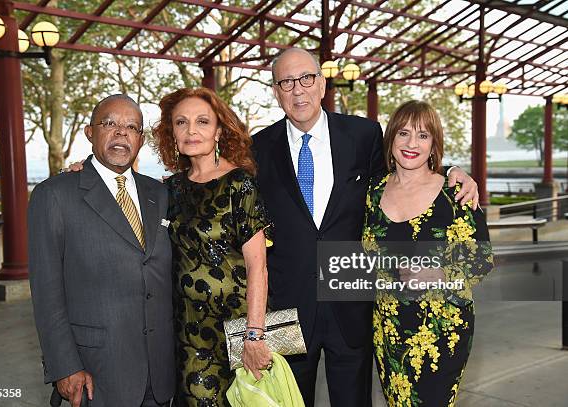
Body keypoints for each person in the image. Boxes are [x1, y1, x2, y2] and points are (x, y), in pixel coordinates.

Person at [251, 48, 479, 407]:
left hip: (351, 303)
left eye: (307, 78)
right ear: (276, 90)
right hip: (286, 308)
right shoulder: (257, 148)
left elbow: (404, 172)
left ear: (322, 83)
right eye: (286, 82)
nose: (298, 90)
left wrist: (450, 170)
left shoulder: (363, 134)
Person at [28, 94, 175, 407]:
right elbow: (46, 293)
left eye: (132, 127)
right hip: (97, 374)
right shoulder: (54, 195)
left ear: (140, 138)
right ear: (89, 132)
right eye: (110, 123)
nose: (121, 132)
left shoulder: (160, 193)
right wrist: (65, 365)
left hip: (161, 372)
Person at [363, 100, 493, 406]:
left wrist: (440, 272)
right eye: (404, 134)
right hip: (388, 331)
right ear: (391, 138)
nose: (411, 144)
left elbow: (481, 259)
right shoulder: (372, 191)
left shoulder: (455, 193)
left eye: (423, 136)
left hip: (441, 331)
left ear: (434, 144)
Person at [151, 87, 273, 406]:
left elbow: (257, 266)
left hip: (239, 327)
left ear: (218, 131)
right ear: (172, 133)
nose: (192, 130)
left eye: (202, 121)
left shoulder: (240, 184)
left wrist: (255, 333)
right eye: (181, 122)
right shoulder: (171, 189)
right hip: (189, 332)